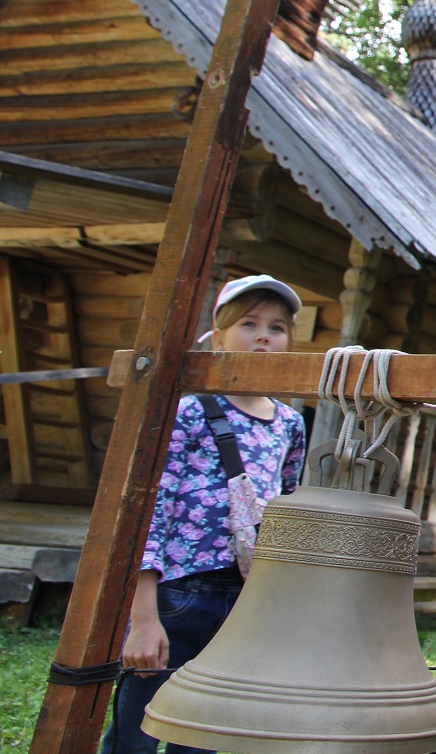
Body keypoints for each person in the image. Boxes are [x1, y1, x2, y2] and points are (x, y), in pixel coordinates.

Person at [102, 275, 307, 754]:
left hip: (245, 595)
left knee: (201, 732)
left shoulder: (290, 423)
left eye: (276, 328)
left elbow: (287, 508)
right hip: (180, 591)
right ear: (218, 338)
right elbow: (153, 512)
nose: (263, 335)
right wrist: (144, 618)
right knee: (138, 728)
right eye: (249, 323)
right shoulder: (191, 412)